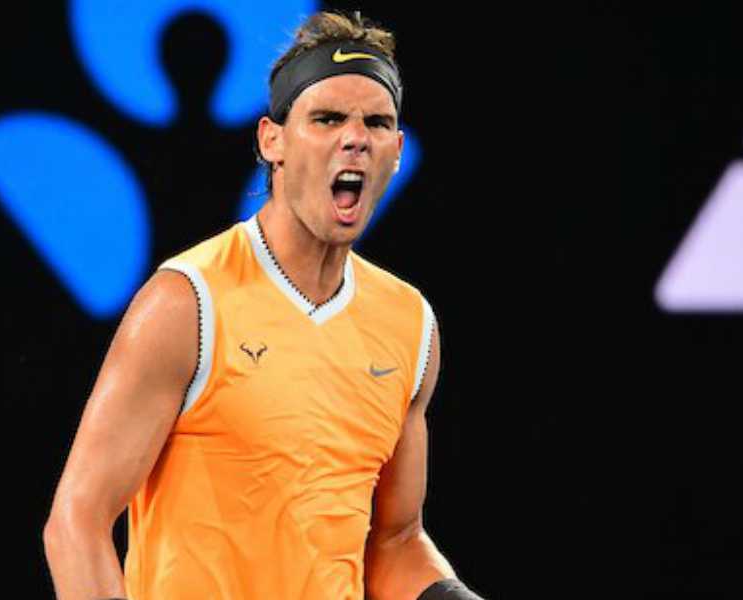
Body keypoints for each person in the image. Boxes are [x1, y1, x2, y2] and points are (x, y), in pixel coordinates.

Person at [43, 10, 484, 600]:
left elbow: (395, 540)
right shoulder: (186, 303)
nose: (356, 137)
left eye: (377, 122)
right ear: (271, 140)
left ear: (397, 149)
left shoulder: (410, 324)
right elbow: (77, 521)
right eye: (327, 118)